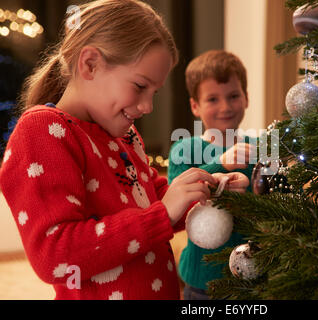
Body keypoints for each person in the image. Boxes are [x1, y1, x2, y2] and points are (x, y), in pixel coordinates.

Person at [0, 0, 248, 300]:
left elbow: (157, 201)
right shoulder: (43, 133)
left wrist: (211, 189)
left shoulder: (125, 136)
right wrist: (162, 214)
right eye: (140, 86)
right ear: (90, 64)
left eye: (154, 92)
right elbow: (55, 255)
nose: (147, 106)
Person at [168, 50, 256, 300]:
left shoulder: (258, 148)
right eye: (213, 99)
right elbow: (179, 199)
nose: (225, 107)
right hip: (202, 282)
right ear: (195, 105)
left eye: (233, 96)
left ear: (247, 98)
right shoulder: (183, 150)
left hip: (253, 278)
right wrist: (221, 164)